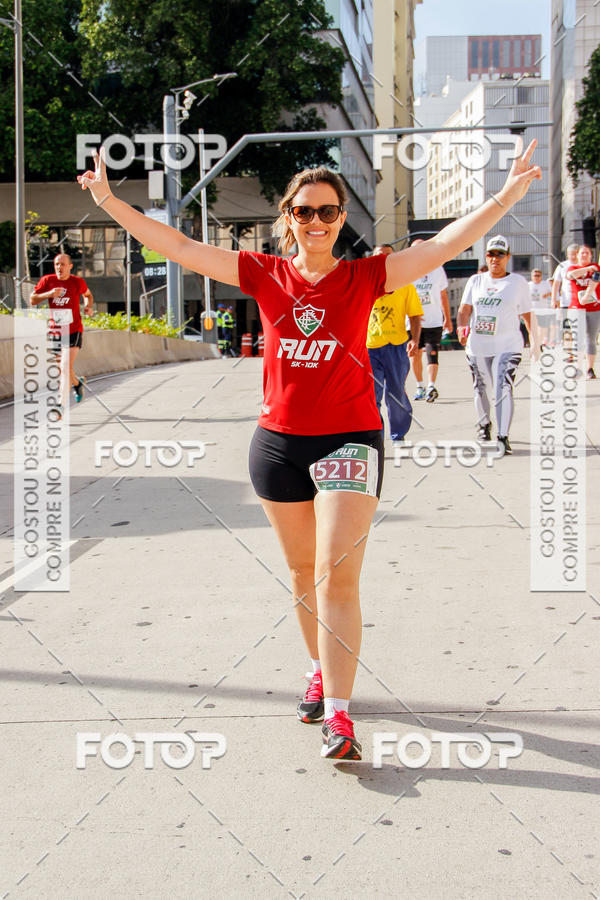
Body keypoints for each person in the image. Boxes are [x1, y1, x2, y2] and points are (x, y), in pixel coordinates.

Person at [78, 140, 541, 760]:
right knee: (301, 573)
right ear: (288, 218)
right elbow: (180, 248)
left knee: (336, 574)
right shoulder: (263, 273)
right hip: (277, 446)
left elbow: (441, 246)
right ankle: (319, 670)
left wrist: (506, 197)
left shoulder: (366, 276)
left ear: (341, 218)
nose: (316, 221)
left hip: (350, 439)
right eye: (305, 211)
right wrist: (108, 200)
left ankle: (341, 717)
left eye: (327, 211)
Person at [457, 236, 533, 455]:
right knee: (481, 389)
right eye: (491, 254)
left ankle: (503, 437)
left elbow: (527, 315)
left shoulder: (518, 282)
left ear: (508, 257)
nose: (495, 259)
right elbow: (464, 310)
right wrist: (461, 328)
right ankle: (484, 425)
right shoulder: (475, 281)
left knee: (503, 387)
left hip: (508, 345)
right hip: (478, 346)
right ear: (486, 257)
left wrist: (536, 342)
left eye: (500, 254)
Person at [366, 245, 423, 446]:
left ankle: (398, 433)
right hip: (370, 348)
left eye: (387, 255)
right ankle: (376, 437)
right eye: (379, 256)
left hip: (396, 347)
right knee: (372, 396)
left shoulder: (406, 285)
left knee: (396, 393)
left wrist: (414, 339)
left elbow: (414, 315)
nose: (383, 259)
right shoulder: (365, 283)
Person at [30, 253, 93, 417]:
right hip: (56, 331)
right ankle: (77, 383)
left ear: (70, 266)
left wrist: (87, 307)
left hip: (73, 330)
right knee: (64, 369)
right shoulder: (47, 280)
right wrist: (49, 294)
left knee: (65, 367)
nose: (59, 267)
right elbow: (32, 299)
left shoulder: (77, 282)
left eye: (63, 264)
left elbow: (88, 295)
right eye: (57, 264)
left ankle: (60, 405)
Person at [410, 239, 452, 402]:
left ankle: (431, 386)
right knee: (415, 355)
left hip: (433, 321)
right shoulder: (407, 270)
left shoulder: (437, 268)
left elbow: (443, 295)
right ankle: (420, 386)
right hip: (413, 322)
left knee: (432, 353)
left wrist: (447, 319)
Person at [565, 244, 600, 379]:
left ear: (591, 255)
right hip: (576, 308)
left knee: (591, 339)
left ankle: (589, 368)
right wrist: (586, 269)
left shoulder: (596, 267)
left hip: (594, 308)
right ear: (577, 255)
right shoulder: (572, 268)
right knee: (578, 338)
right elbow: (571, 276)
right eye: (582, 253)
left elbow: (595, 281)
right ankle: (578, 367)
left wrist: (587, 296)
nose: (584, 255)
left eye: (587, 253)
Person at [551, 243, 578, 350]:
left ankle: (579, 349)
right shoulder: (562, 266)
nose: (572, 257)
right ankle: (568, 349)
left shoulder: (583, 265)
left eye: (574, 254)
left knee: (579, 326)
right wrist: (554, 299)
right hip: (566, 302)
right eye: (570, 254)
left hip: (580, 302)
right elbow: (556, 284)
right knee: (567, 326)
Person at [528, 268, 554, 352]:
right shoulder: (528, 285)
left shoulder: (545, 284)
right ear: (531, 276)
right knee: (532, 329)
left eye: (538, 276)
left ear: (541, 276)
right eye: (535, 276)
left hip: (542, 310)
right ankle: (533, 345)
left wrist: (547, 294)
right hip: (532, 310)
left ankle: (539, 344)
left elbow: (553, 292)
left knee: (541, 329)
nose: (536, 277)